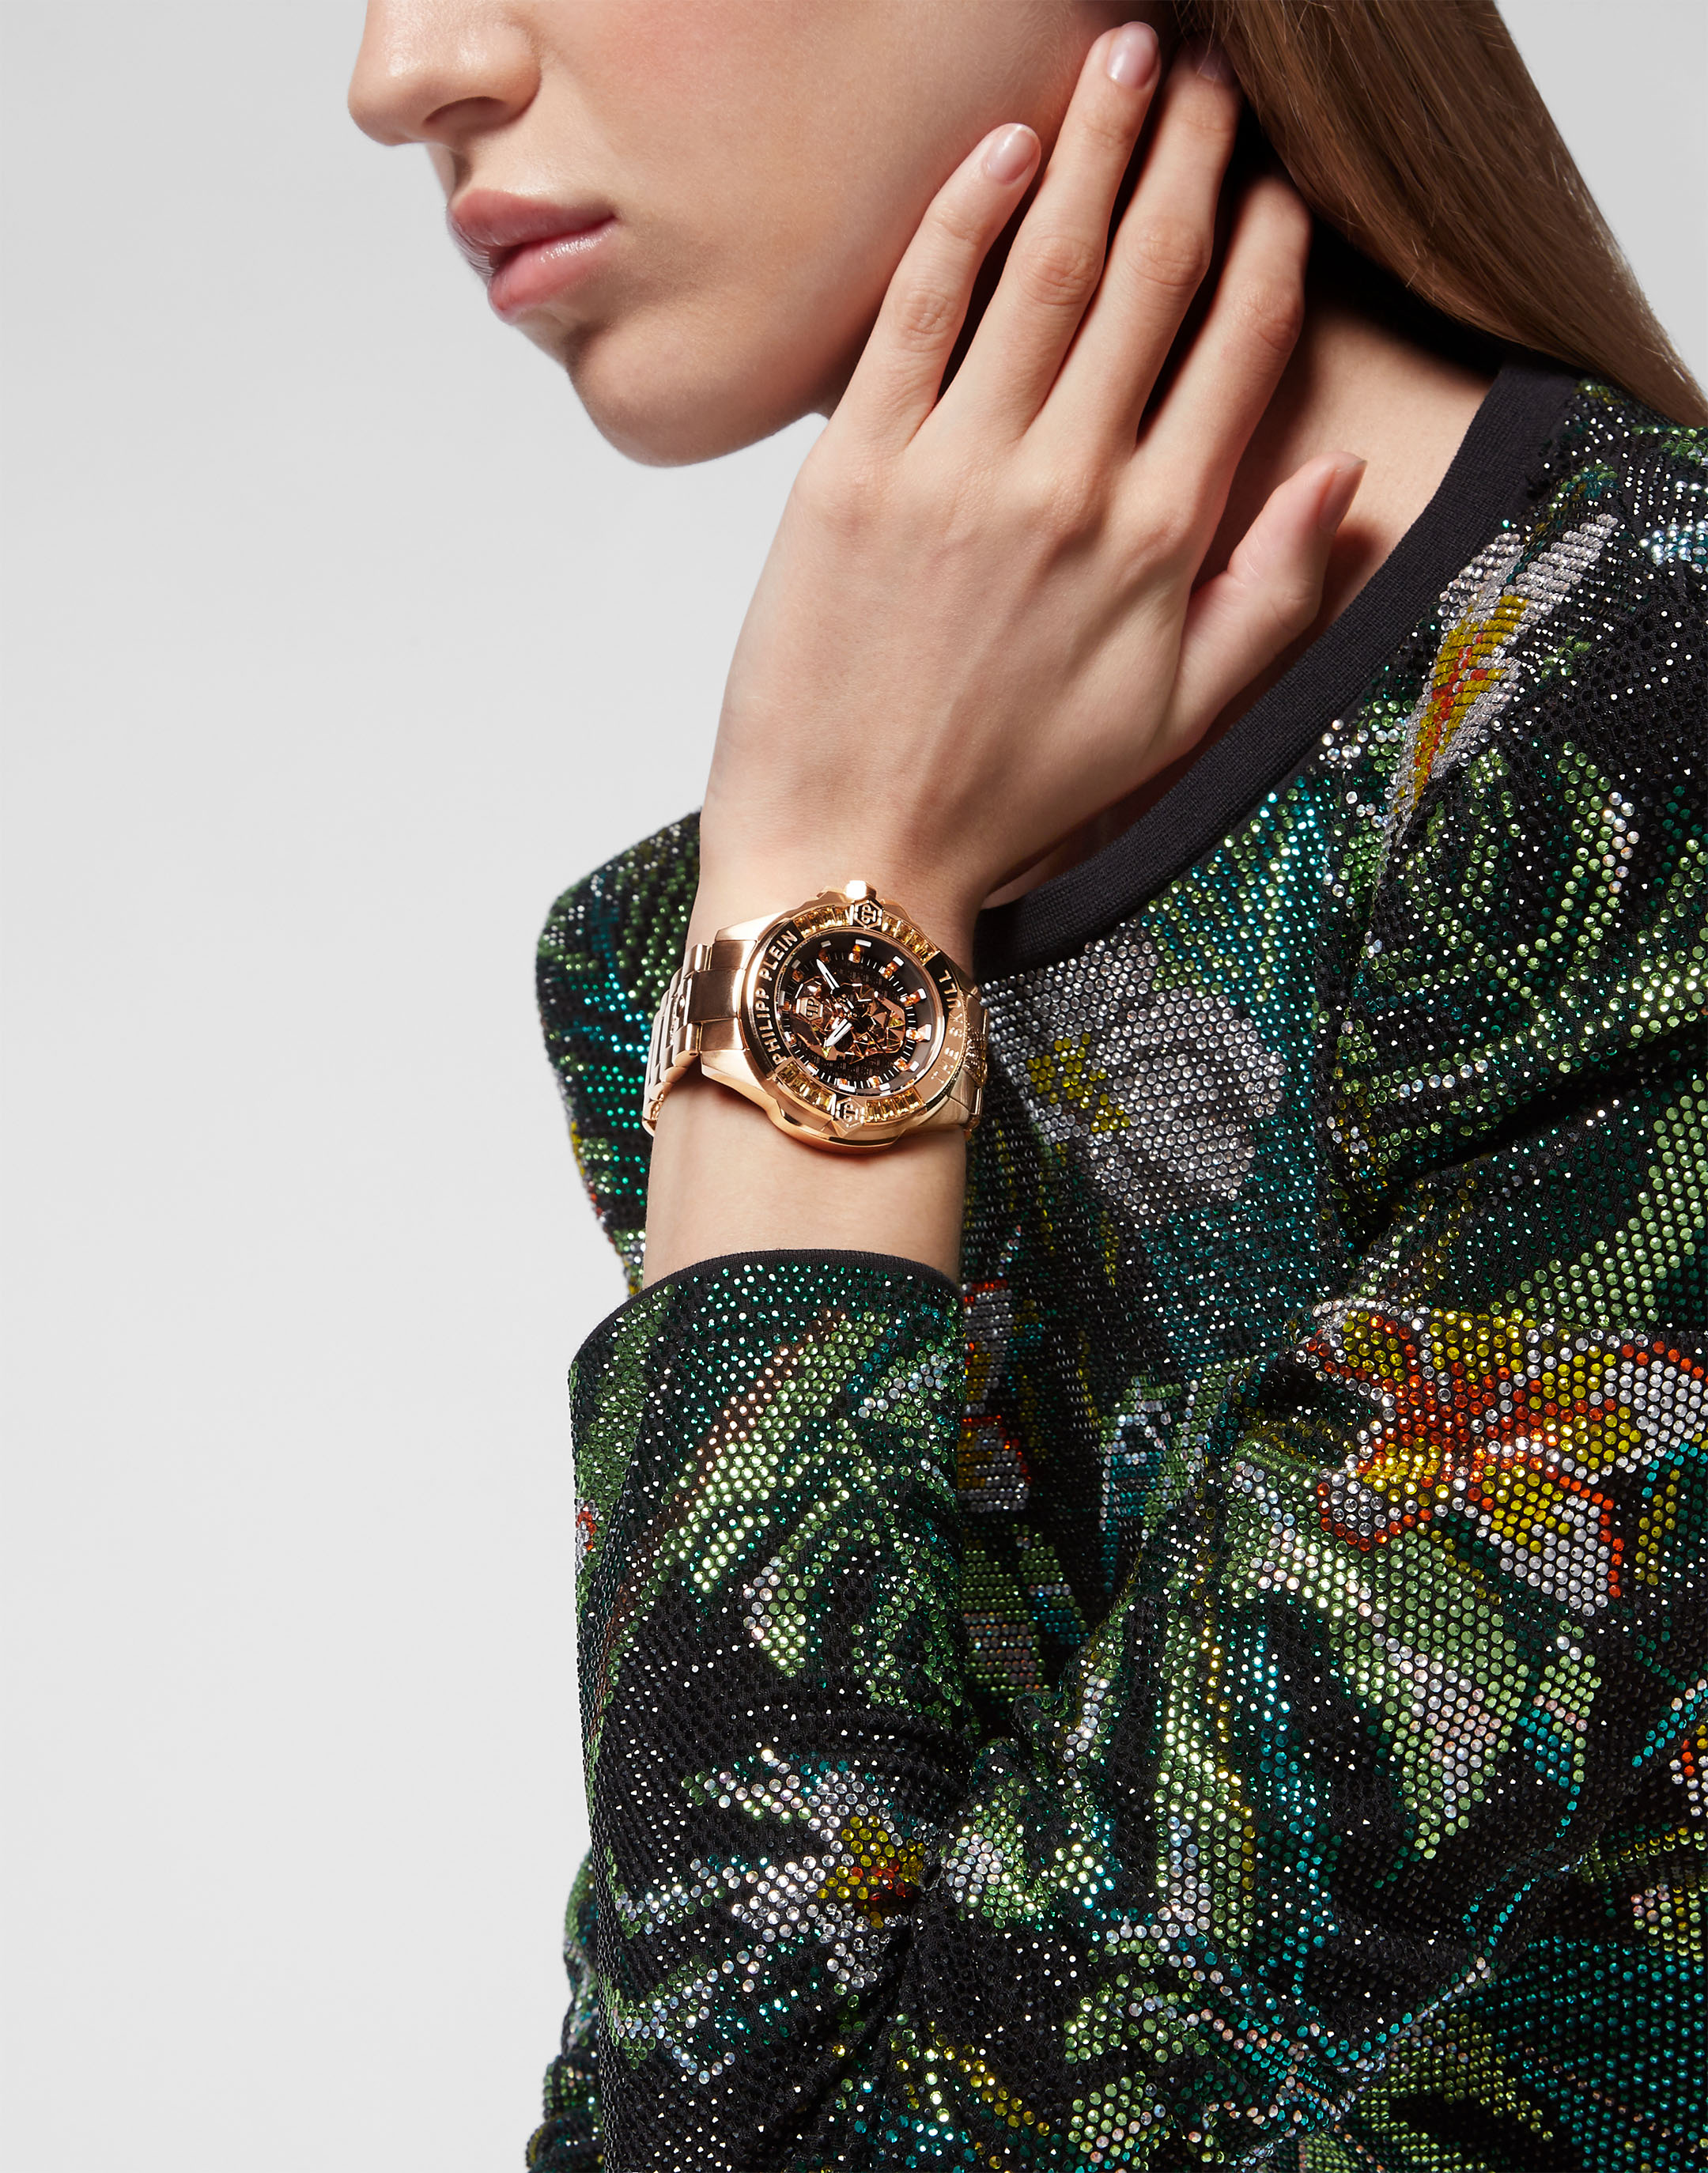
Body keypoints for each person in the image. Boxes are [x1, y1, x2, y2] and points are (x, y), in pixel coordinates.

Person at [349, 5, 1706, 2167]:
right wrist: (831, 888)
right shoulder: (724, 950)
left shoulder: (1640, 743)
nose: (402, 70)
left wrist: (823, 883)